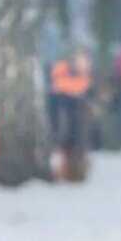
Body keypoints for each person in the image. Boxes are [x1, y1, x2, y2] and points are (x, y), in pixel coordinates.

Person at [49, 46, 93, 181]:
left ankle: (74, 172)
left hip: (76, 119)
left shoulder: (85, 76)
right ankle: (66, 171)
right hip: (64, 113)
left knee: (75, 142)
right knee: (65, 141)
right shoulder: (62, 70)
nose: (83, 63)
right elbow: (62, 85)